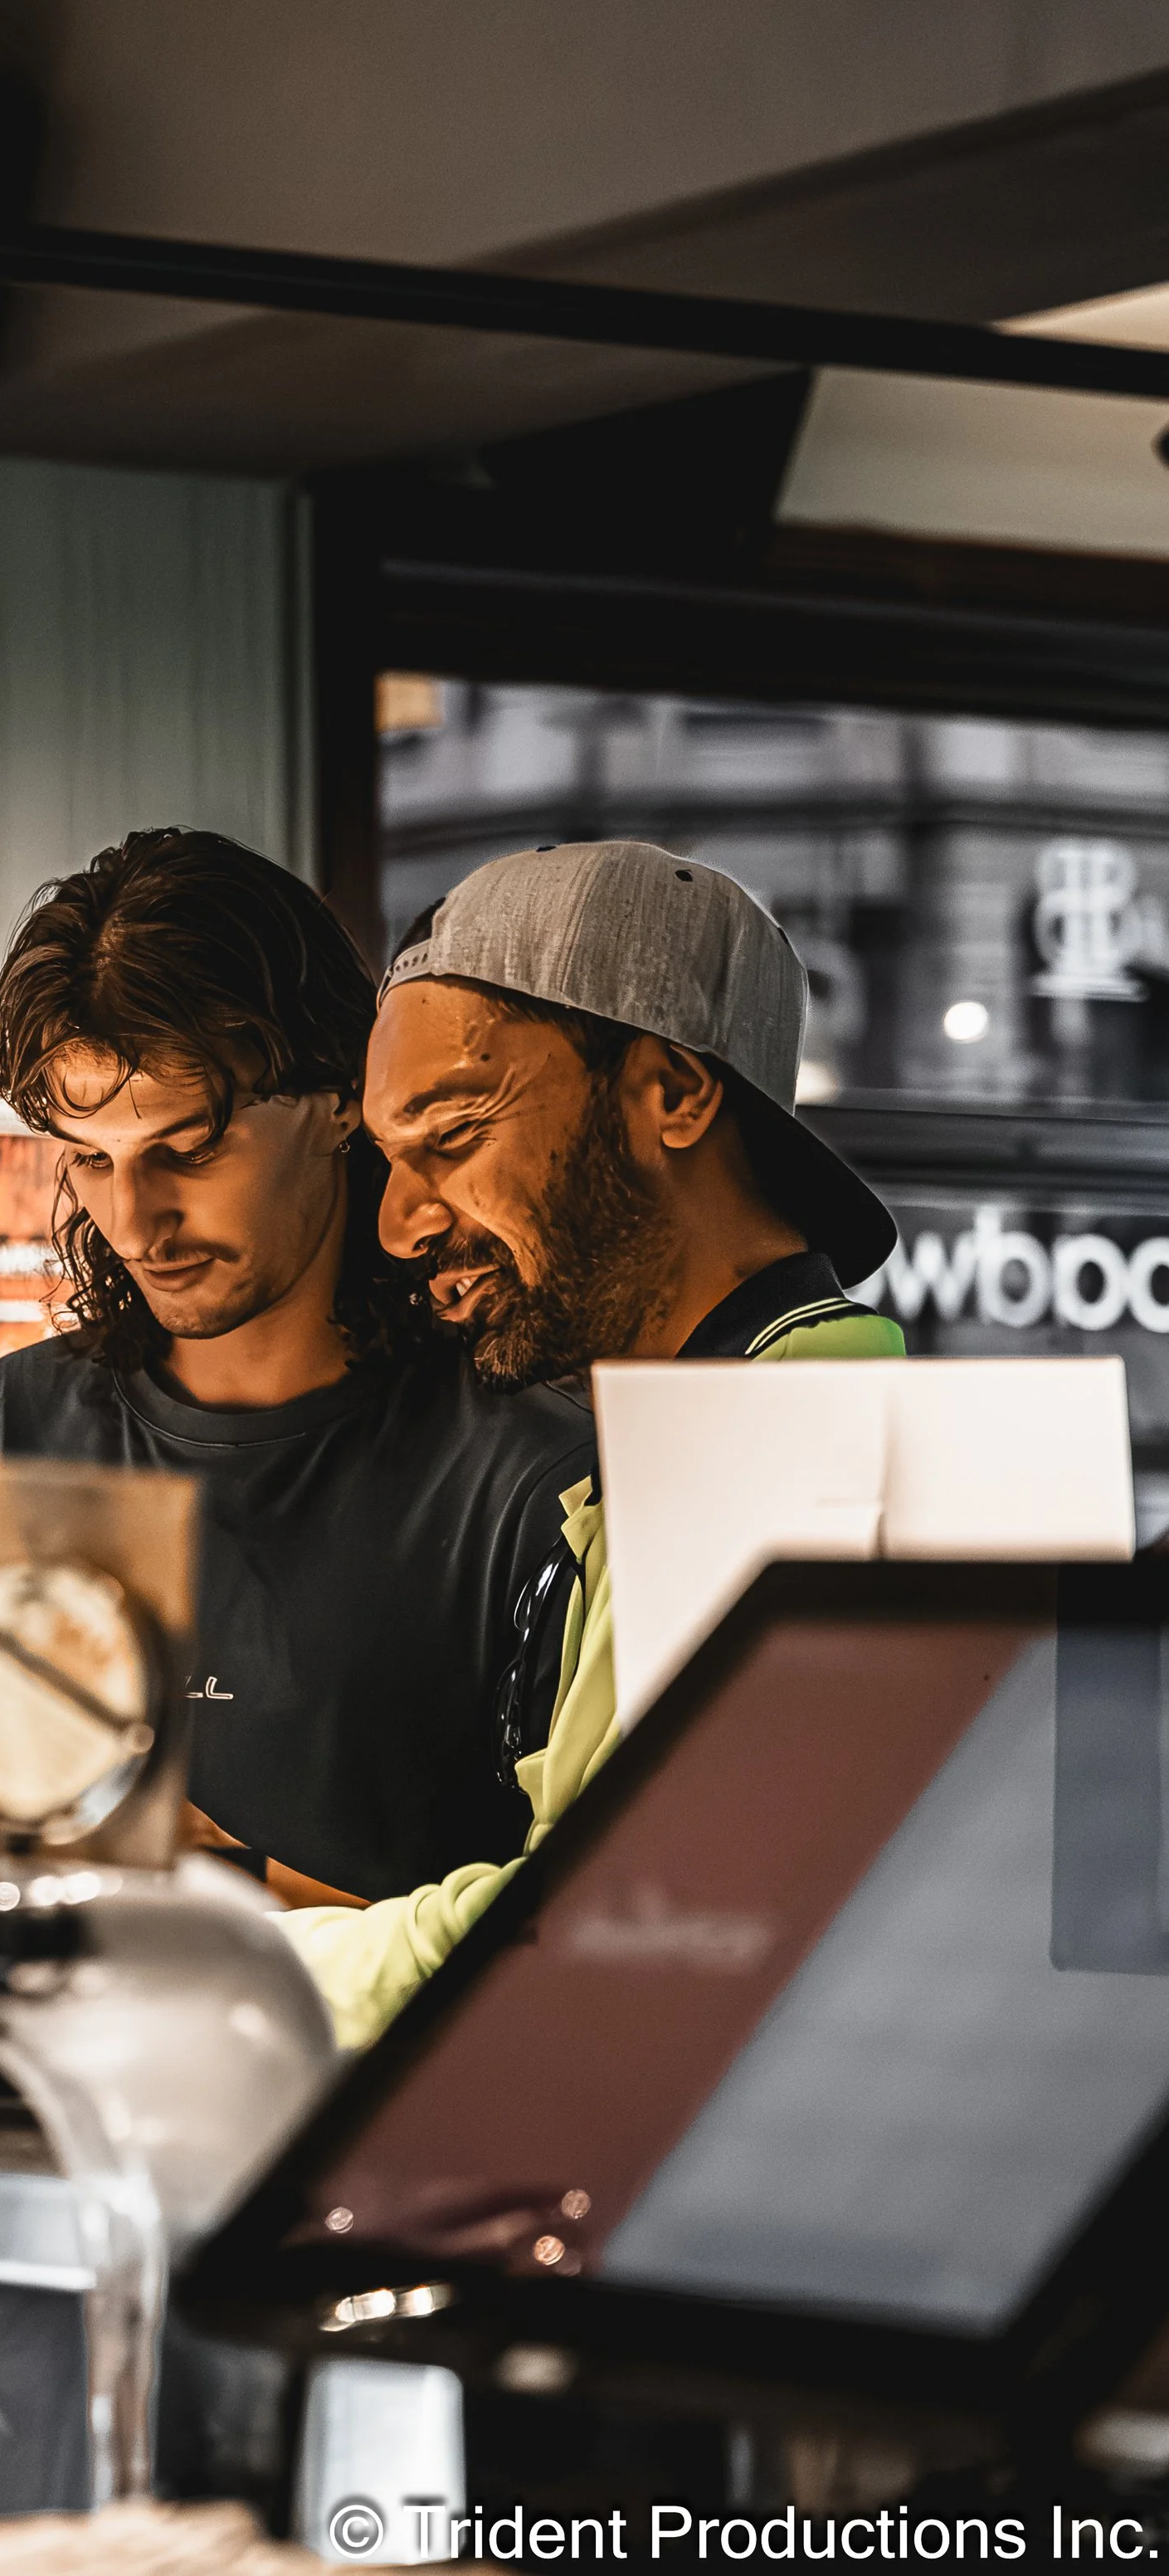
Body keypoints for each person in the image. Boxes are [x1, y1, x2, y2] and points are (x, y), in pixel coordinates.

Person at [0, 828, 595, 1910]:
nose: (136, 1220)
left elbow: (582, 1948)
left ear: (345, 1099)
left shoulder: (541, 1477)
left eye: (190, 1151)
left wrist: (225, 1891)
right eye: (90, 1161)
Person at [282, 836, 904, 2044]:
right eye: (391, 1164)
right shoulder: (711, 1427)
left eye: (453, 1138)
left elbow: (610, 1928)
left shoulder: (790, 1443)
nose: (404, 1226)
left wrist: (216, 1961)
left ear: (672, 1092)